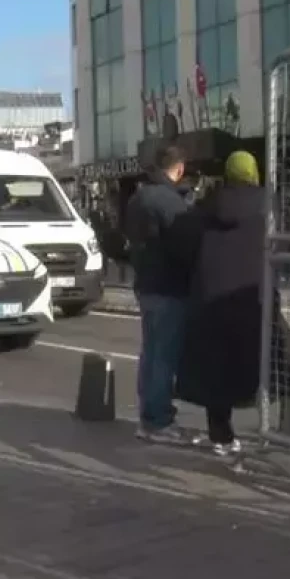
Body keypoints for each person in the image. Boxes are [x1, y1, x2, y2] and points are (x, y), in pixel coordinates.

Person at [176, 151, 290, 454]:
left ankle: (221, 434)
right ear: (253, 172)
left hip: (210, 296)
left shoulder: (206, 206)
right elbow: (284, 245)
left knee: (216, 367)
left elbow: (186, 246)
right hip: (252, 293)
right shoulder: (268, 205)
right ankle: (269, 433)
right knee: (265, 361)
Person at [123, 144, 195, 443]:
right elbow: (186, 245)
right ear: (179, 169)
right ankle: (159, 421)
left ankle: (147, 416)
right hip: (169, 285)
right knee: (165, 355)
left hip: (145, 284)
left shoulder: (138, 198)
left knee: (151, 352)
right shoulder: (172, 202)